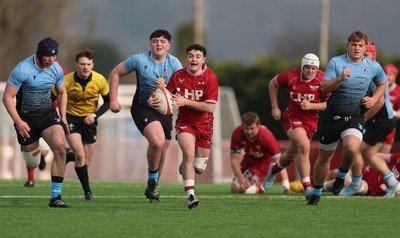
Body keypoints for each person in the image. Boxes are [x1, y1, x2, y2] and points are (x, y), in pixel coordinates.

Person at [307, 30, 387, 205]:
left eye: (360, 45)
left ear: (365, 47)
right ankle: (316, 191)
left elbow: (382, 83)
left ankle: (341, 177)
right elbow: (324, 88)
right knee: (325, 156)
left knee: (352, 148)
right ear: (348, 46)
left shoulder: (373, 66)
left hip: (354, 116)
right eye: (353, 44)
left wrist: (373, 99)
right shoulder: (336, 62)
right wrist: (340, 78)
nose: (356, 48)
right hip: (332, 117)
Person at [108, 29, 182, 203]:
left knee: (162, 151)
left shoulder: (175, 63)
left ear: (168, 46)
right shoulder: (139, 60)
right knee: (156, 142)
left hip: (165, 111)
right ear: (150, 44)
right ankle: (152, 181)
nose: (159, 44)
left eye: (163, 41)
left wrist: (166, 88)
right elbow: (114, 73)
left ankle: (153, 187)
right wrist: (113, 100)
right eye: (155, 41)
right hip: (143, 108)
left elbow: (180, 89)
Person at [2, 37, 70, 208]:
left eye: (54, 56)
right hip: (26, 119)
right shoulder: (22, 69)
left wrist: (62, 116)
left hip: (47, 115)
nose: (51, 59)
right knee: (32, 162)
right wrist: (18, 121)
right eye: (47, 56)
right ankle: (40, 154)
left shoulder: (56, 69)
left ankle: (56, 197)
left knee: (61, 149)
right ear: (39, 54)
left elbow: (62, 93)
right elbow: (7, 97)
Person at [150, 43, 218, 209]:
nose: (193, 59)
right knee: (188, 153)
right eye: (190, 56)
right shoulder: (178, 76)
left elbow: (210, 107)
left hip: (205, 125)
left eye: (197, 56)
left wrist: (185, 101)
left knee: (199, 169)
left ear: (203, 60)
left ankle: (186, 167)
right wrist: (157, 95)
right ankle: (190, 196)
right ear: (186, 58)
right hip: (185, 123)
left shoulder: (211, 78)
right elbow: (166, 97)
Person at [337, 41, 400, 197]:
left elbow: (378, 103)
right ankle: (393, 184)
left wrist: (361, 119)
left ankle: (356, 183)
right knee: (369, 154)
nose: (361, 57)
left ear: (373, 56)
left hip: (381, 121)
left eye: (366, 55)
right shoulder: (366, 70)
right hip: (383, 121)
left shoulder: (373, 71)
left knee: (354, 148)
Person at [262, 53, 329, 200]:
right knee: (304, 146)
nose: (310, 71)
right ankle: (307, 188)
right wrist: (275, 107)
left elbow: (329, 104)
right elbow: (272, 83)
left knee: (291, 155)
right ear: (302, 67)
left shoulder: (323, 79)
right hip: (292, 117)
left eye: (313, 68)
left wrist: (312, 105)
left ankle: (273, 170)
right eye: (307, 68)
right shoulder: (290, 76)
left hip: (311, 121)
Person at [62, 49, 110, 200]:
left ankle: (69, 155)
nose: (85, 67)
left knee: (86, 162)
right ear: (76, 65)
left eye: (88, 64)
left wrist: (95, 115)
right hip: (71, 119)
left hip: (89, 121)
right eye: (82, 64)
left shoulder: (100, 80)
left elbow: (108, 102)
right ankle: (87, 192)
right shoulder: (66, 80)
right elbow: (52, 97)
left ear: (93, 65)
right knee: (81, 155)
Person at [230, 111, 290, 194]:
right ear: (242, 126)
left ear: (258, 126)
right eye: (246, 128)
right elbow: (234, 160)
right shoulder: (237, 133)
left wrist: (286, 186)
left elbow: (278, 161)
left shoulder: (266, 136)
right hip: (248, 159)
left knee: (245, 190)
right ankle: (261, 185)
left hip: (264, 162)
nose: (249, 132)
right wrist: (241, 178)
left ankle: (262, 186)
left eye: (252, 128)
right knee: (235, 188)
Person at [380, 64, 400, 153]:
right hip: (372, 127)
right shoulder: (377, 87)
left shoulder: (398, 92)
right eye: (385, 73)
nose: (387, 76)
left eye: (390, 74)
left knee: (381, 158)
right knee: (366, 157)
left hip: (388, 130)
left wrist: (391, 112)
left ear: (395, 76)